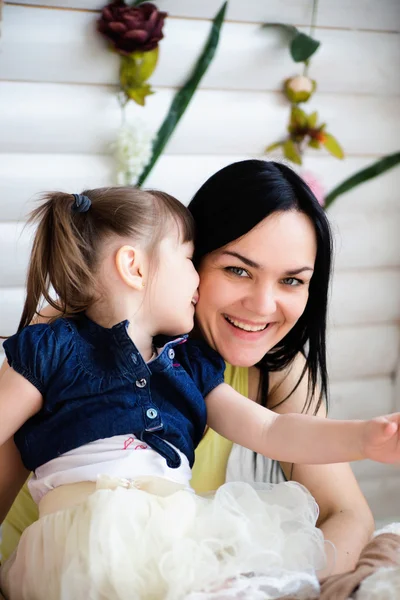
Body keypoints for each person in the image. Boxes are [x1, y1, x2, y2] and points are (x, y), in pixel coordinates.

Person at [0, 162, 391, 595]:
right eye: (238, 270)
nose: (263, 306)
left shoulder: (250, 365)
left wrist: (279, 585)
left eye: (292, 280)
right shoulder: (65, 337)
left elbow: (343, 508)